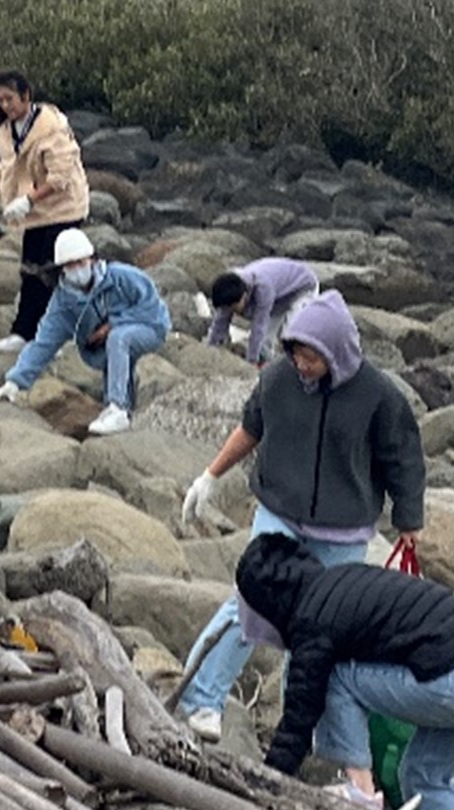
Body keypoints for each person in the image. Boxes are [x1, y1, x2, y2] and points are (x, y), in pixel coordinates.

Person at [175, 290, 426, 742]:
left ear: (338, 352)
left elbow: (402, 459)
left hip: (344, 529)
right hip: (280, 516)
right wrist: (210, 476)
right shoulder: (277, 379)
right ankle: (200, 699)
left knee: (325, 631)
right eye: (297, 354)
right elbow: (251, 428)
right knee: (248, 607)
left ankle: (307, 729)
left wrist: (409, 522)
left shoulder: (379, 396)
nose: (302, 365)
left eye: (312, 357)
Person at [235, 532, 454, 810]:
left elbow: (300, 714)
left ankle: (360, 793)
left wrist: (266, 783)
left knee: (335, 678)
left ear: (267, 602)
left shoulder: (311, 618)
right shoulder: (344, 578)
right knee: (422, 779)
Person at [0, 228, 169, 435]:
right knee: (115, 351)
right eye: (70, 265)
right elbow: (44, 343)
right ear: (61, 268)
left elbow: (153, 307)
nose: (76, 268)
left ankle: (118, 409)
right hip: (102, 349)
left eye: (80, 262)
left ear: (92, 258)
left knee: (119, 338)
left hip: (151, 327)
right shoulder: (64, 302)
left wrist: (113, 324)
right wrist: (15, 381)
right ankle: (121, 411)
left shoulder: (122, 276)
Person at [0, 71, 90, 354]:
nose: (6, 105)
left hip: (64, 208)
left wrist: (29, 200)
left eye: (10, 99)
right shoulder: (8, 130)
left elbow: (60, 177)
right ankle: (24, 331)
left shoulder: (52, 129)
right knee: (30, 271)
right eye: (1, 100)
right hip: (37, 212)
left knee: (52, 272)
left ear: (26, 96)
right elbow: (12, 166)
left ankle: (57, 333)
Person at [206, 258, 321, 367]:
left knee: (290, 334)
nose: (232, 311)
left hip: (303, 287)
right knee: (265, 343)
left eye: (234, 308)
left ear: (244, 296)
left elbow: (258, 326)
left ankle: (296, 369)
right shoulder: (227, 290)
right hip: (279, 298)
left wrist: (250, 362)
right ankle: (270, 367)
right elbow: (219, 323)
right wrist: (209, 350)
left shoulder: (263, 287)